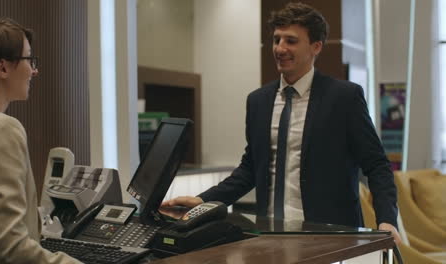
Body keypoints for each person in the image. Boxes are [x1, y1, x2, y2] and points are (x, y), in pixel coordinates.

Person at [162, 2, 401, 243]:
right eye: (277, 39)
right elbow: (250, 169)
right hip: (271, 234)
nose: (280, 48)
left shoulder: (344, 98)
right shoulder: (258, 101)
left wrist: (387, 220)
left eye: (291, 41)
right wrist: (203, 201)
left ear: (316, 47)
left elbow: (377, 165)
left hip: (332, 236)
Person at [0, 16, 80, 263]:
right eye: (29, 59)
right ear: (2, 68)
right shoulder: (1, 129)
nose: (35, 70)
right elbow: (12, 248)